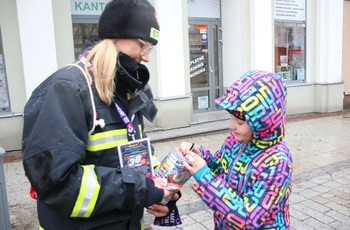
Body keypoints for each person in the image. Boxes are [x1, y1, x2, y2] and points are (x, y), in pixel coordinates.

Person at [22, 0, 178, 229]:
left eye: (150, 49)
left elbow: (134, 152)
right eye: (143, 46)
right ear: (116, 38)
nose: (146, 57)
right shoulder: (67, 89)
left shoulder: (128, 90)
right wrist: (140, 189)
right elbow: (57, 185)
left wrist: (160, 188)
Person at [180, 70, 293, 229]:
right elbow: (220, 167)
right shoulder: (236, 140)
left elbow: (248, 220)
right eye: (231, 118)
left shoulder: (277, 162)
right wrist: (202, 156)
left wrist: (204, 177)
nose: (231, 126)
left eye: (240, 122)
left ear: (263, 122)